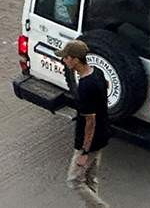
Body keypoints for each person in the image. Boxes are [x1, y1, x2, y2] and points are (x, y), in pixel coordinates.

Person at [57, 39, 110, 208]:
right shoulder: (97, 72)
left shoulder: (85, 86)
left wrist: (85, 151)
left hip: (89, 141)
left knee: (74, 180)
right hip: (102, 134)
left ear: (75, 60)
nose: (64, 60)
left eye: (66, 58)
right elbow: (106, 87)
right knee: (90, 178)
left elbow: (90, 122)